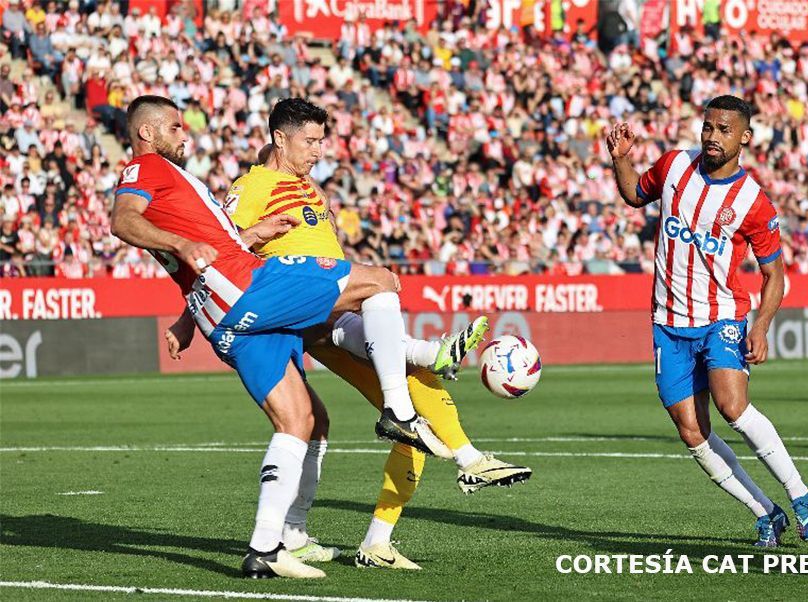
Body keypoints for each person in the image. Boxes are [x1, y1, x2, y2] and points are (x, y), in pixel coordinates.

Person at [109, 95, 451, 579]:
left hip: (220, 314)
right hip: (246, 288)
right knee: (380, 281)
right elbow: (122, 220)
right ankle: (398, 408)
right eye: (175, 127)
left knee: (302, 418)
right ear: (147, 133)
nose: (186, 134)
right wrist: (182, 243)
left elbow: (218, 243)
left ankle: (266, 548)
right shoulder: (146, 168)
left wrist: (244, 243)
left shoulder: (177, 181)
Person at [205, 97, 530, 569]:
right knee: (391, 318)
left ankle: (377, 540)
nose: (319, 151)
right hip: (297, 302)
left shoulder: (306, 186)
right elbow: (221, 252)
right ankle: (443, 391)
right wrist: (258, 232)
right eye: (310, 141)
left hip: (333, 308)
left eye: (322, 140)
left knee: (418, 406)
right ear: (279, 138)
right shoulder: (253, 185)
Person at [607, 95, 808, 547]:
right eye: (708, 127)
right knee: (692, 431)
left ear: (745, 137)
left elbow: (775, 276)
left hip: (721, 315)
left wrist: (760, 326)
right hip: (667, 321)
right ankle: (766, 511)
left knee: (732, 406)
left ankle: (800, 493)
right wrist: (622, 159)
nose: (712, 137)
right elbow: (633, 195)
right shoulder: (672, 167)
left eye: (724, 130)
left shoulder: (753, 202)